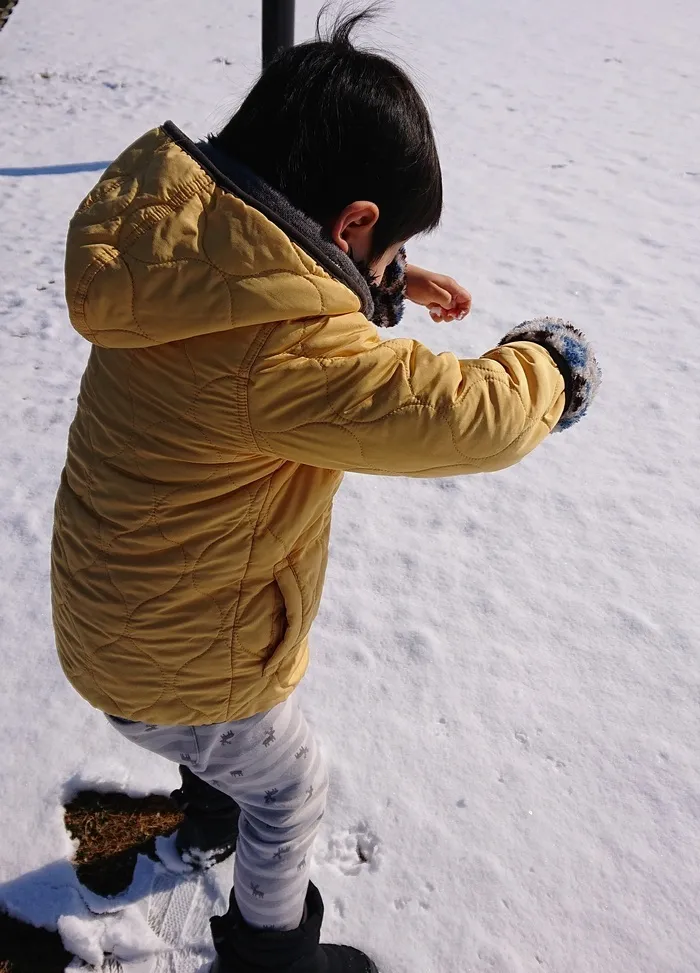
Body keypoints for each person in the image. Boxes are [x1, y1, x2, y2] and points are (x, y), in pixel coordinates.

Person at [51, 6, 600, 972]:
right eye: (380, 254)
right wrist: (551, 364)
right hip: (180, 662)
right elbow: (468, 412)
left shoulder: (171, 257)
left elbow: (269, 267)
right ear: (351, 224)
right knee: (291, 788)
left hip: (116, 608)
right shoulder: (286, 355)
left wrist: (385, 280)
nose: (381, 281)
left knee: (220, 741)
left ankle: (209, 804)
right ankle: (271, 955)